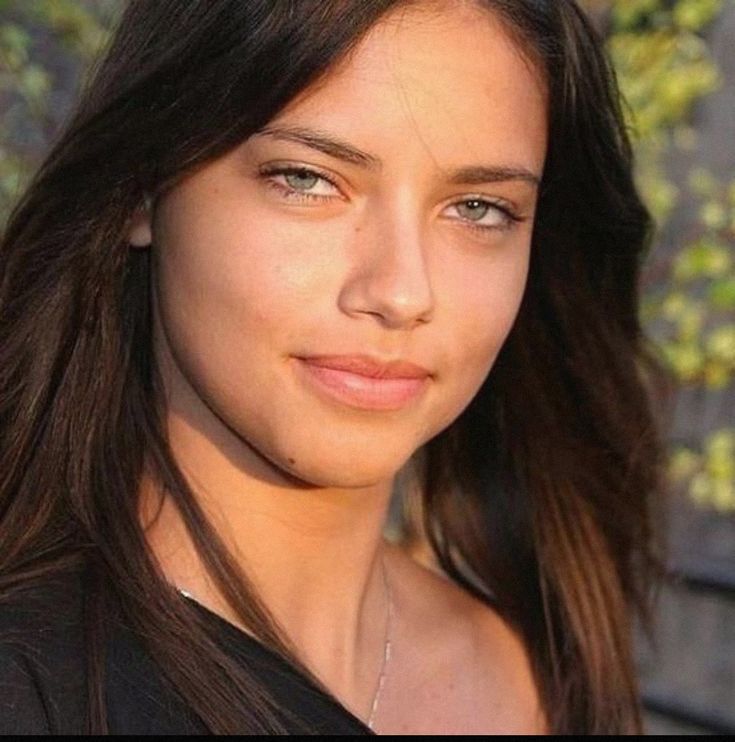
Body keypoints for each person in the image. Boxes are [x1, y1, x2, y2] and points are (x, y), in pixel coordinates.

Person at [0, 0, 672, 735]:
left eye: (478, 208)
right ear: (143, 189)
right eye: (307, 180)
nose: (402, 292)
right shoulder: (32, 682)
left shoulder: (536, 670)